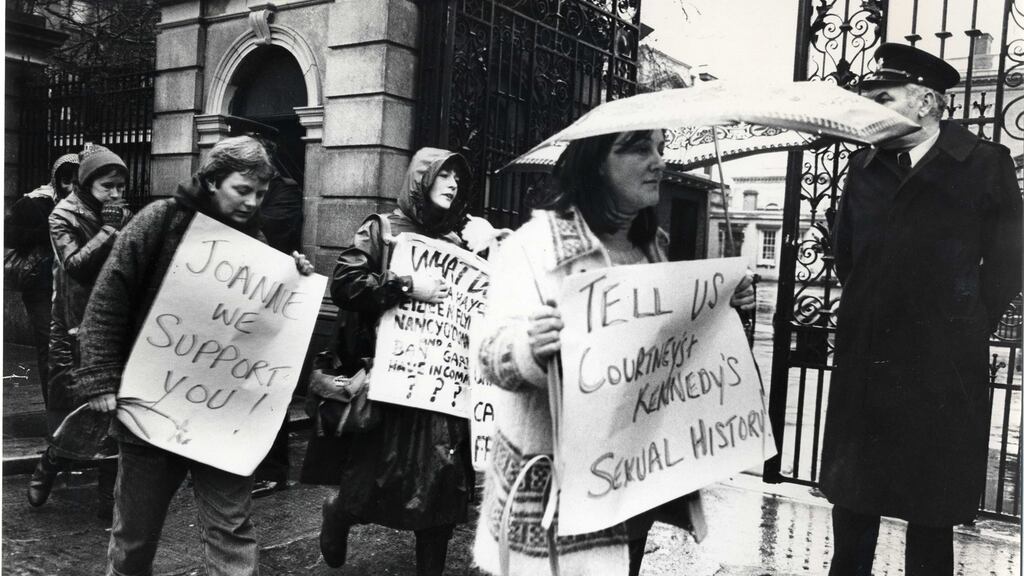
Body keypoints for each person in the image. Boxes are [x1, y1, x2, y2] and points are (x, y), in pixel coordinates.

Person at [472, 129, 755, 576]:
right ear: (596, 162)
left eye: (662, 148)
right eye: (641, 148)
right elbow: (489, 353)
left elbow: (670, 356)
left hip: (631, 483)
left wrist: (723, 309)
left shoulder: (654, 248)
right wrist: (529, 346)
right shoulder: (533, 244)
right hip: (553, 498)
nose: (659, 161)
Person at [820, 43, 1023, 576]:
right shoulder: (863, 166)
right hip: (868, 358)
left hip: (943, 362)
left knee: (931, 511)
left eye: (881, 97)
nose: (869, 108)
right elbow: (846, 253)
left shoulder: (983, 164)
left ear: (926, 102)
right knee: (854, 504)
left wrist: (965, 317)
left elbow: (1008, 261)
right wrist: (874, 306)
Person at [70, 136, 315, 576]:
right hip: (151, 407)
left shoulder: (255, 244)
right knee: (134, 538)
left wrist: (292, 285)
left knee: (232, 530)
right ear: (213, 180)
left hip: (221, 418)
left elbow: (263, 334)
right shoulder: (159, 221)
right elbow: (109, 298)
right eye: (243, 189)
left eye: (260, 194)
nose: (252, 201)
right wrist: (100, 379)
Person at [318, 147, 501, 576]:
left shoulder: (460, 242)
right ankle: (339, 512)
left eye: (458, 179)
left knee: (443, 496)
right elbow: (344, 283)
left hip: (444, 388)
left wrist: (492, 251)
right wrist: (404, 284)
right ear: (422, 178)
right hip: (392, 385)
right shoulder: (381, 229)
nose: (453, 185)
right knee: (372, 483)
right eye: (444, 176)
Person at [26, 145, 131, 519]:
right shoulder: (63, 215)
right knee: (80, 410)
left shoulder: (117, 213)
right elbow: (75, 266)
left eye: (121, 186)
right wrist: (109, 230)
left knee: (115, 410)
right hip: (73, 326)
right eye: (108, 186)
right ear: (88, 184)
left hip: (114, 324)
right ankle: (50, 462)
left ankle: (109, 498)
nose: (117, 194)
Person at [4, 153, 80, 401]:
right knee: (50, 346)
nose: (71, 187)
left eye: (77, 181)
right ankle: (54, 410)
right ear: (56, 180)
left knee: (74, 347)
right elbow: (10, 237)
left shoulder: (87, 206)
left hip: (74, 285)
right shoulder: (34, 203)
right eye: (66, 181)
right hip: (41, 285)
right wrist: (51, 227)